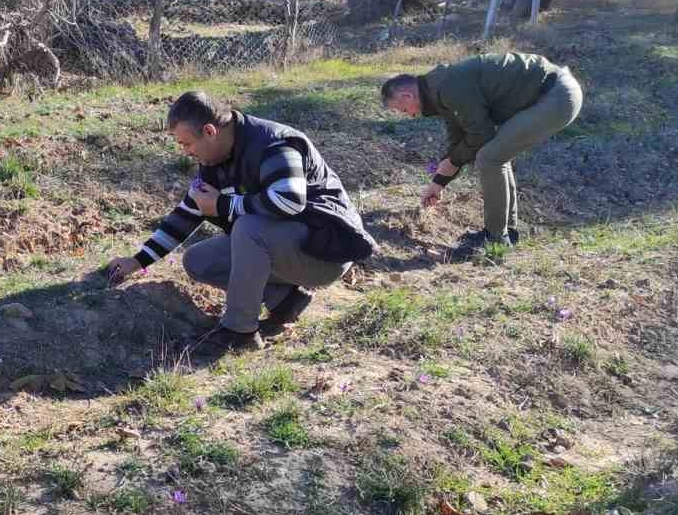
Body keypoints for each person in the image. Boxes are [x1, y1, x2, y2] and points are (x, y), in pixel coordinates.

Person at [104, 91, 376, 353]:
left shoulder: (274, 144)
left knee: (249, 228)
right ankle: (285, 301)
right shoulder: (214, 157)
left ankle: (240, 332)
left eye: (186, 144)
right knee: (199, 260)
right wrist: (137, 262)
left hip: (327, 252)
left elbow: (290, 201)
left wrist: (224, 205)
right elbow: (187, 214)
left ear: (210, 131)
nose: (186, 152)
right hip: (293, 248)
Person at [380, 50, 583, 257]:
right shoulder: (439, 90)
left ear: (408, 95)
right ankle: (506, 232)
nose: (410, 116)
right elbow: (458, 142)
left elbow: (481, 135)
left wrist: (453, 161)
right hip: (553, 94)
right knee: (495, 155)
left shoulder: (448, 87)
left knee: (490, 157)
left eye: (404, 110)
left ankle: (495, 238)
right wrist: (439, 182)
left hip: (556, 95)